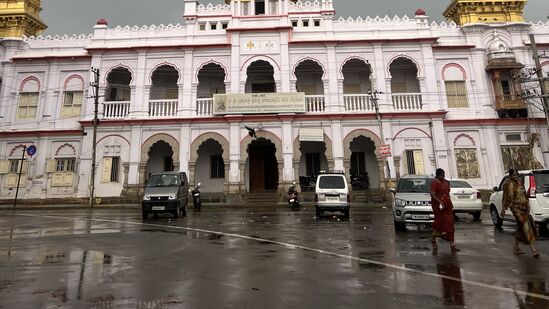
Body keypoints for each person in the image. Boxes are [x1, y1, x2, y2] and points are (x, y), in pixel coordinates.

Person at [501, 169, 540, 258]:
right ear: (510, 175)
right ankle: (534, 250)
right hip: (515, 208)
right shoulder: (507, 184)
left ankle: (516, 247)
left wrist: (528, 205)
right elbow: (505, 197)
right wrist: (503, 210)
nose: (516, 176)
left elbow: (524, 194)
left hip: (524, 208)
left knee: (521, 226)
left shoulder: (520, 182)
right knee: (526, 226)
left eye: (517, 175)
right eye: (514, 175)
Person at [430, 168, 459, 252]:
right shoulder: (434, 183)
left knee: (450, 223)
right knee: (439, 223)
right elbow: (432, 194)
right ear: (437, 175)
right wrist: (440, 202)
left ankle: (452, 244)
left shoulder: (446, 182)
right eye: (441, 175)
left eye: (444, 175)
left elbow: (447, 193)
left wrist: (449, 202)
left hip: (447, 205)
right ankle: (433, 238)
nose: (443, 177)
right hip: (438, 206)